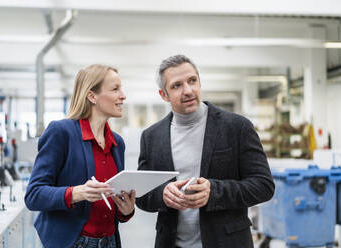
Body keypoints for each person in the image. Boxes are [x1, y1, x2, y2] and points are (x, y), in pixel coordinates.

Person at [136, 55, 275, 248]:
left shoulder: (236, 127)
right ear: (163, 95)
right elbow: (142, 196)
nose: (188, 91)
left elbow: (263, 186)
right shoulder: (151, 137)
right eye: (177, 86)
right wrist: (162, 195)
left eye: (192, 81)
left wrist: (214, 192)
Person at [25, 64, 135, 248]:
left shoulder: (117, 143)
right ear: (92, 96)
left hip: (109, 242)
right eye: (115, 89)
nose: (123, 95)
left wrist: (126, 210)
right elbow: (34, 195)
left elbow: (115, 204)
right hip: (74, 242)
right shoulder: (61, 132)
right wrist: (76, 193)